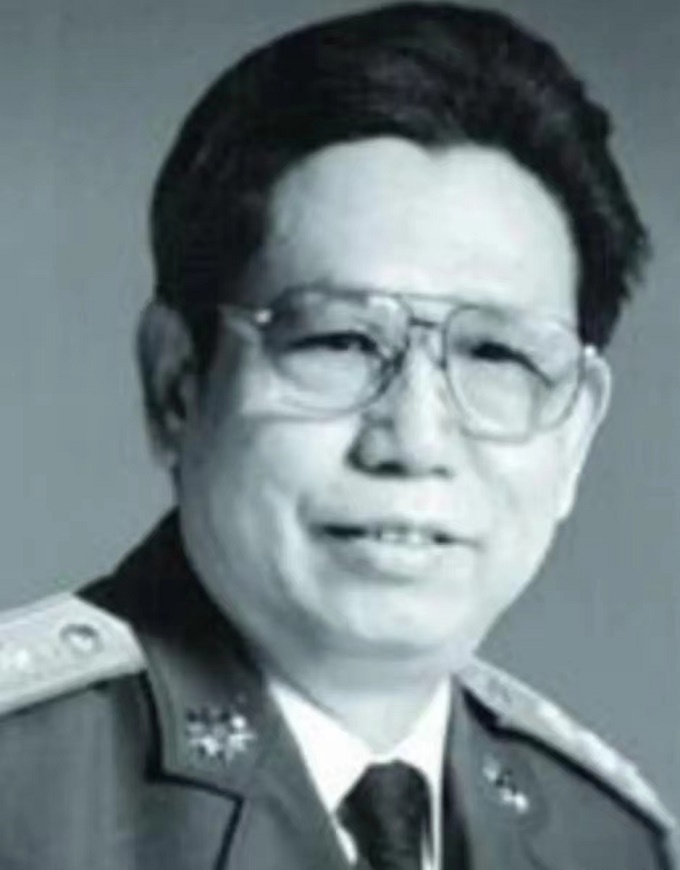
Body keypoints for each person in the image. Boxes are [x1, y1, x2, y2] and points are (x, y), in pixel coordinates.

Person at [0, 3, 676, 868]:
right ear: (177, 383)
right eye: (341, 341)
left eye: (497, 355)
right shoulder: (28, 796)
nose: (415, 441)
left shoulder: (609, 843)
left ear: (575, 434)